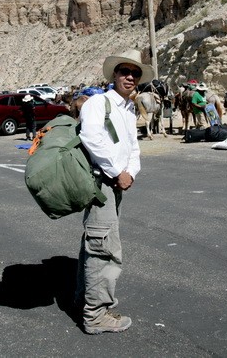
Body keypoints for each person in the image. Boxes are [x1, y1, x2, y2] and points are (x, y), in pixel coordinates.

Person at [75, 49, 153, 335]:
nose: (130, 77)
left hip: (117, 184)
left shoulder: (128, 108)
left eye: (135, 73)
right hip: (102, 185)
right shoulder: (99, 103)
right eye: (124, 72)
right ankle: (95, 316)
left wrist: (131, 171)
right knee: (103, 248)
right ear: (114, 75)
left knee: (96, 242)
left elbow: (133, 146)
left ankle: (84, 300)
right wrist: (116, 172)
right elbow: (91, 138)